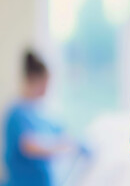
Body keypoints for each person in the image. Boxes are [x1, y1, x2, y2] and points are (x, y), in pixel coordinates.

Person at [2, 51, 82, 186]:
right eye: (45, 83)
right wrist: (65, 146)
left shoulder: (42, 115)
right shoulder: (16, 113)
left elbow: (63, 133)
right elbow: (29, 146)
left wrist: (76, 142)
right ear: (33, 79)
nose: (47, 89)